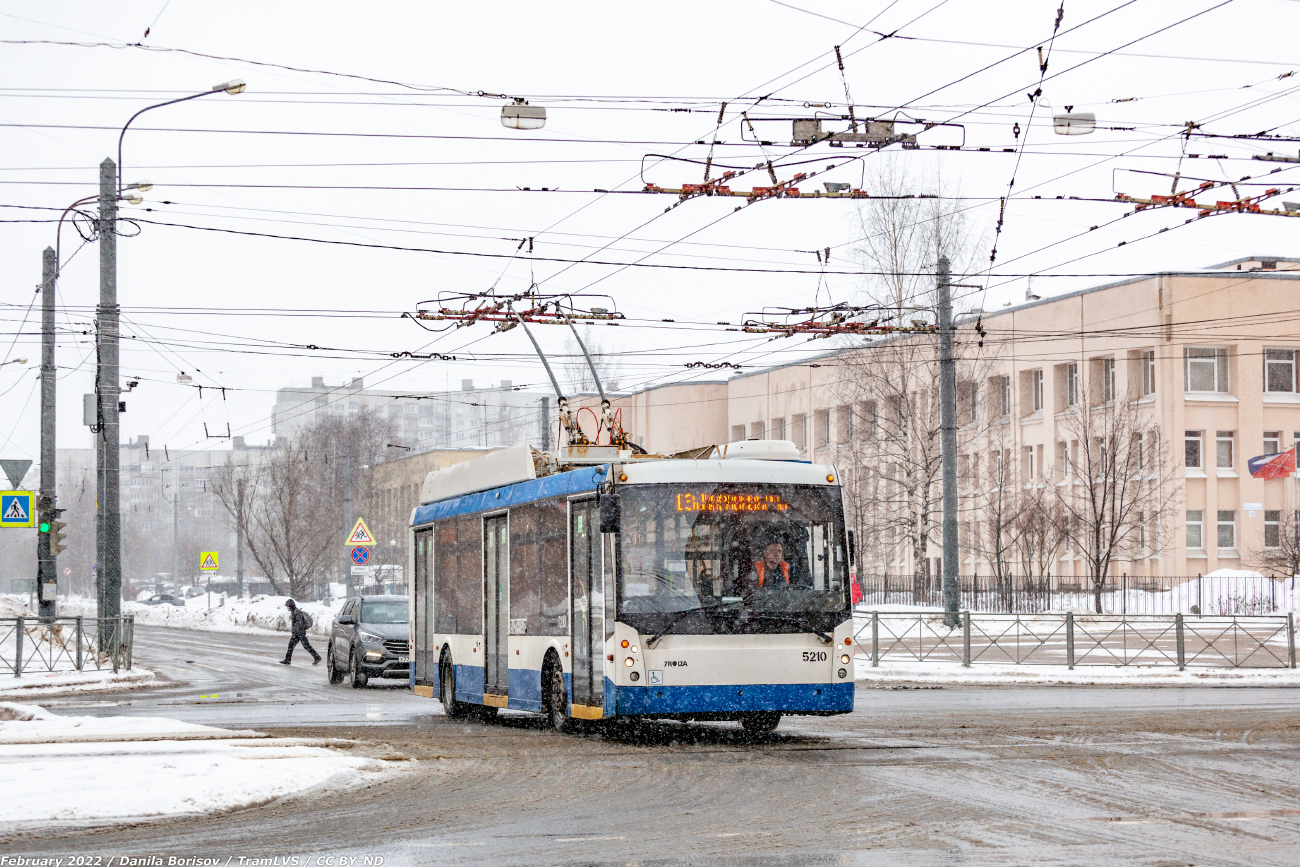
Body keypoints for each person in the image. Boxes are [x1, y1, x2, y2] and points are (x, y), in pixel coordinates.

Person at [281, 598, 321, 665]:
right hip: (298, 633)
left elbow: (299, 623)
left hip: (299, 633)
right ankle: (287, 659)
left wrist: (295, 633)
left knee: (305, 646)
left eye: (287, 606)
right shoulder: (294, 611)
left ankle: (317, 657)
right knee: (293, 645)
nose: (287, 607)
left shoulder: (297, 612)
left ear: (290, 605)